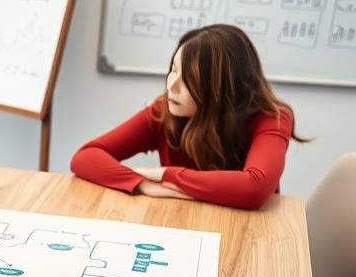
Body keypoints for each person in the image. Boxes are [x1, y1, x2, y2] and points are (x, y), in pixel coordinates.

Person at [70, 24, 304, 210]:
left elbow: (254, 189)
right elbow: (85, 157)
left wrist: (166, 175)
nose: (171, 85)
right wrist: (141, 184)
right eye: (173, 70)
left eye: (189, 79)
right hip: (184, 226)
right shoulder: (165, 111)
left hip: (250, 236)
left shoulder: (271, 118)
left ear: (222, 88)